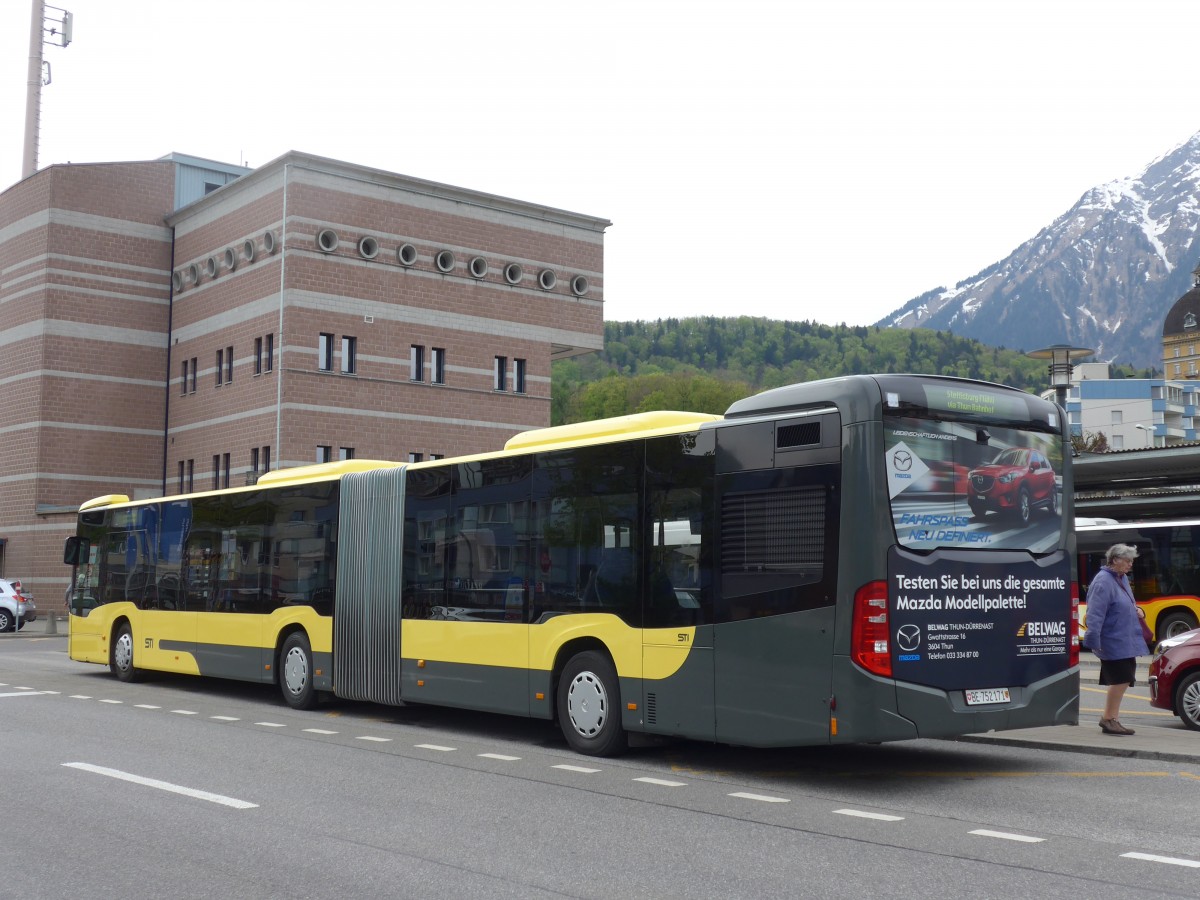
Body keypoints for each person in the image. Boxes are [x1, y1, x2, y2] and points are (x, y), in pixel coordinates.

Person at [1083, 543, 1149, 735]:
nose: (1130, 564)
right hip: (1111, 640)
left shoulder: (1122, 578)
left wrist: (1138, 610)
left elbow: (1127, 603)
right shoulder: (1103, 581)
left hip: (1125, 639)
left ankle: (1112, 719)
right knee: (1121, 679)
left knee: (1124, 679)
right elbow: (1095, 614)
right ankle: (1109, 719)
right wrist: (1094, 641)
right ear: (1114, 560)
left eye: (1131, 561)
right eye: (1127, 561)